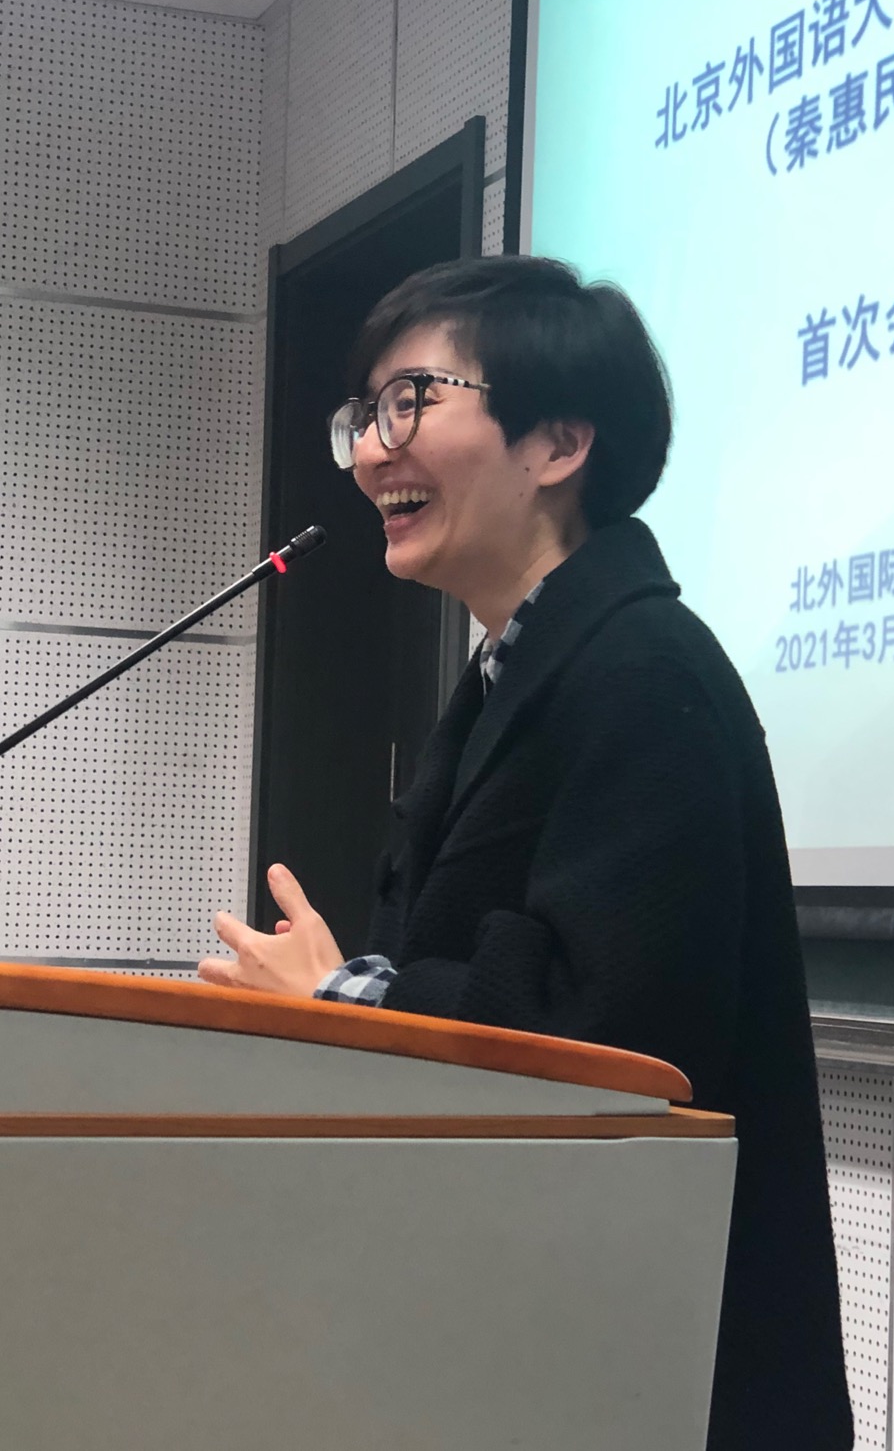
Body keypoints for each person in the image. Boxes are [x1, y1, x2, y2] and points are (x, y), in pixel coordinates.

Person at [198, 255, 854, 1451]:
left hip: (652, 1377)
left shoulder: (646, 675)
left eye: (411, 401)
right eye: (365, 415)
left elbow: (612, 1041)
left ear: (559, 441)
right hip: (532, 1342)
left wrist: (343, 994)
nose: (370, 452)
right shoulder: (520, 674)